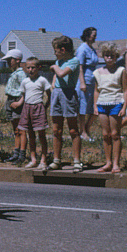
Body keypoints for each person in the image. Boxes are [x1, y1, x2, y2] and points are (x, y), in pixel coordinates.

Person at [48, 35, 83, 171]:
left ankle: (77, 161)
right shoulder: (59, 61)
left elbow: (62, 73)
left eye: (56, 50)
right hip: (57, 93)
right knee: (56, 129)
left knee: (73, 129)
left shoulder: (73, 61)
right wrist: (53, 84)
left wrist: (54, 67)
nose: (55, 53)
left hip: (68, 95)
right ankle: (56, 160)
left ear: (63, 50)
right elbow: (57, 76)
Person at [93, 43, 127, 173]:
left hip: (116, 102)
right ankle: (107, 162)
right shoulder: (97, 72)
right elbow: (96, 90)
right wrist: (95, 105)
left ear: (116, 57)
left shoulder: (121, 71)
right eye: (107, 55)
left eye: (112, 56)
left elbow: (125, 90)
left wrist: (124, 106)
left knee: (115, 134)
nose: (109, 58)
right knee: (105, 134)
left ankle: (116, 164)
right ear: (103, 56)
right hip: (102, 103)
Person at [13, 57, 51, 169]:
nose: (30, 70)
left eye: (33, 67)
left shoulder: (42, 80)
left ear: (38, 68)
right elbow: (23, 96)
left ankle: (43, 160)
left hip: (38, 108)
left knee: (41, 135)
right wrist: (18, 103)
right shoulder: (25, 81)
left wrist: (45, 106)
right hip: (27, 108)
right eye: (28, 67)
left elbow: (49, 95)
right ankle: (33, 159)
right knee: (30, 135)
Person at [2, 49, 27, 165]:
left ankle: (22, 154)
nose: (8, 62)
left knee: (21, 130)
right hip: (11, 100)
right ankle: (16, 154)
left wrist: (20, 102)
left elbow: (25, 90)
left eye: (10, 60)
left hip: (17, 101)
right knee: (16, 130)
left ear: (17, 60)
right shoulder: (14, 73)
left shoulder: (21, 74)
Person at [76, 26, 98, 142]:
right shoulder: (82, 49)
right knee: (83, 108)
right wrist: (82, 82)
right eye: (93, 35)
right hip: (84, 80)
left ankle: (87, 128)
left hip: (92, 81)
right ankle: (82, 131)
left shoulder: (92, 49)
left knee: (92, 107)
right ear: (88, 36)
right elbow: (79, 66)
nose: (95, 37)